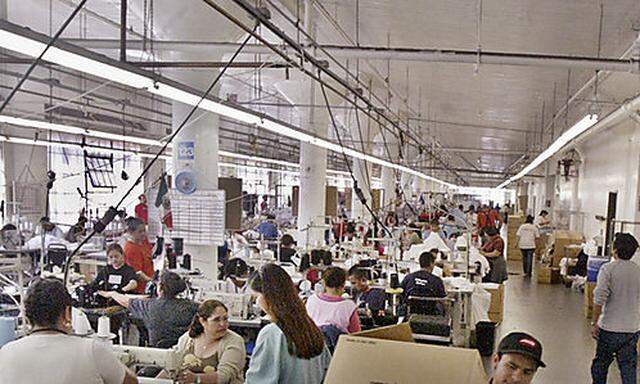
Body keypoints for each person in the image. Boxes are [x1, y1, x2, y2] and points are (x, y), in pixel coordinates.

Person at [0, 278, 138, 384]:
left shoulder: (5, 353)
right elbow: (131, 382)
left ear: (27, 316)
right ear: (67, 312)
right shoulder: (91, 350)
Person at [245, 264, 332, 384]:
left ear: (268, 296)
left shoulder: (272, 333)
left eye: (257, 297)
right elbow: (327, 372)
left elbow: (258, 381)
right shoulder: (311, 329)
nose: (257, 302)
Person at [100, 271, 198, 348]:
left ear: (160, 288)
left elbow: (126, 301)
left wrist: (113, 294)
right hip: (183, 353)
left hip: (157, 356)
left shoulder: (149, 306)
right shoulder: (190, 307)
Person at [591, 233, 640, 384]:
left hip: (609, 328)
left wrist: (594, 323)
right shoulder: (638, 270)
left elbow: (599, 299)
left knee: (601, 364)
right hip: (632, 329)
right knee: (628, 367)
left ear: (615, 249)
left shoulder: (608, 269)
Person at [166, 300, 246, 384]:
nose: (223, 324)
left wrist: (196, 378)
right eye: (216, 320)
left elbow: (224, 376)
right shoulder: (188, 338)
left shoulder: (234, 341)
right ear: (202, 321)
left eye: (225, 319)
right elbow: (171, 365)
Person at [306, 266, 361, 334]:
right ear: (344, 284)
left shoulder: (312, 300)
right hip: (339, 343)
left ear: (324, 283)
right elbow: (356, 333)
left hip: (315, 342)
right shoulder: (349, 306)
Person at [123, 217, 154, 294]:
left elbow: (150, 255)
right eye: (140, 231)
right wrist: (153, 282)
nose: (143, 233)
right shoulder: (131, 249)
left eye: (144, 230)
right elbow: (138, 273)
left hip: (149, 283)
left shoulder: (143, 241)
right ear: (130, 232)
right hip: (141, 290)